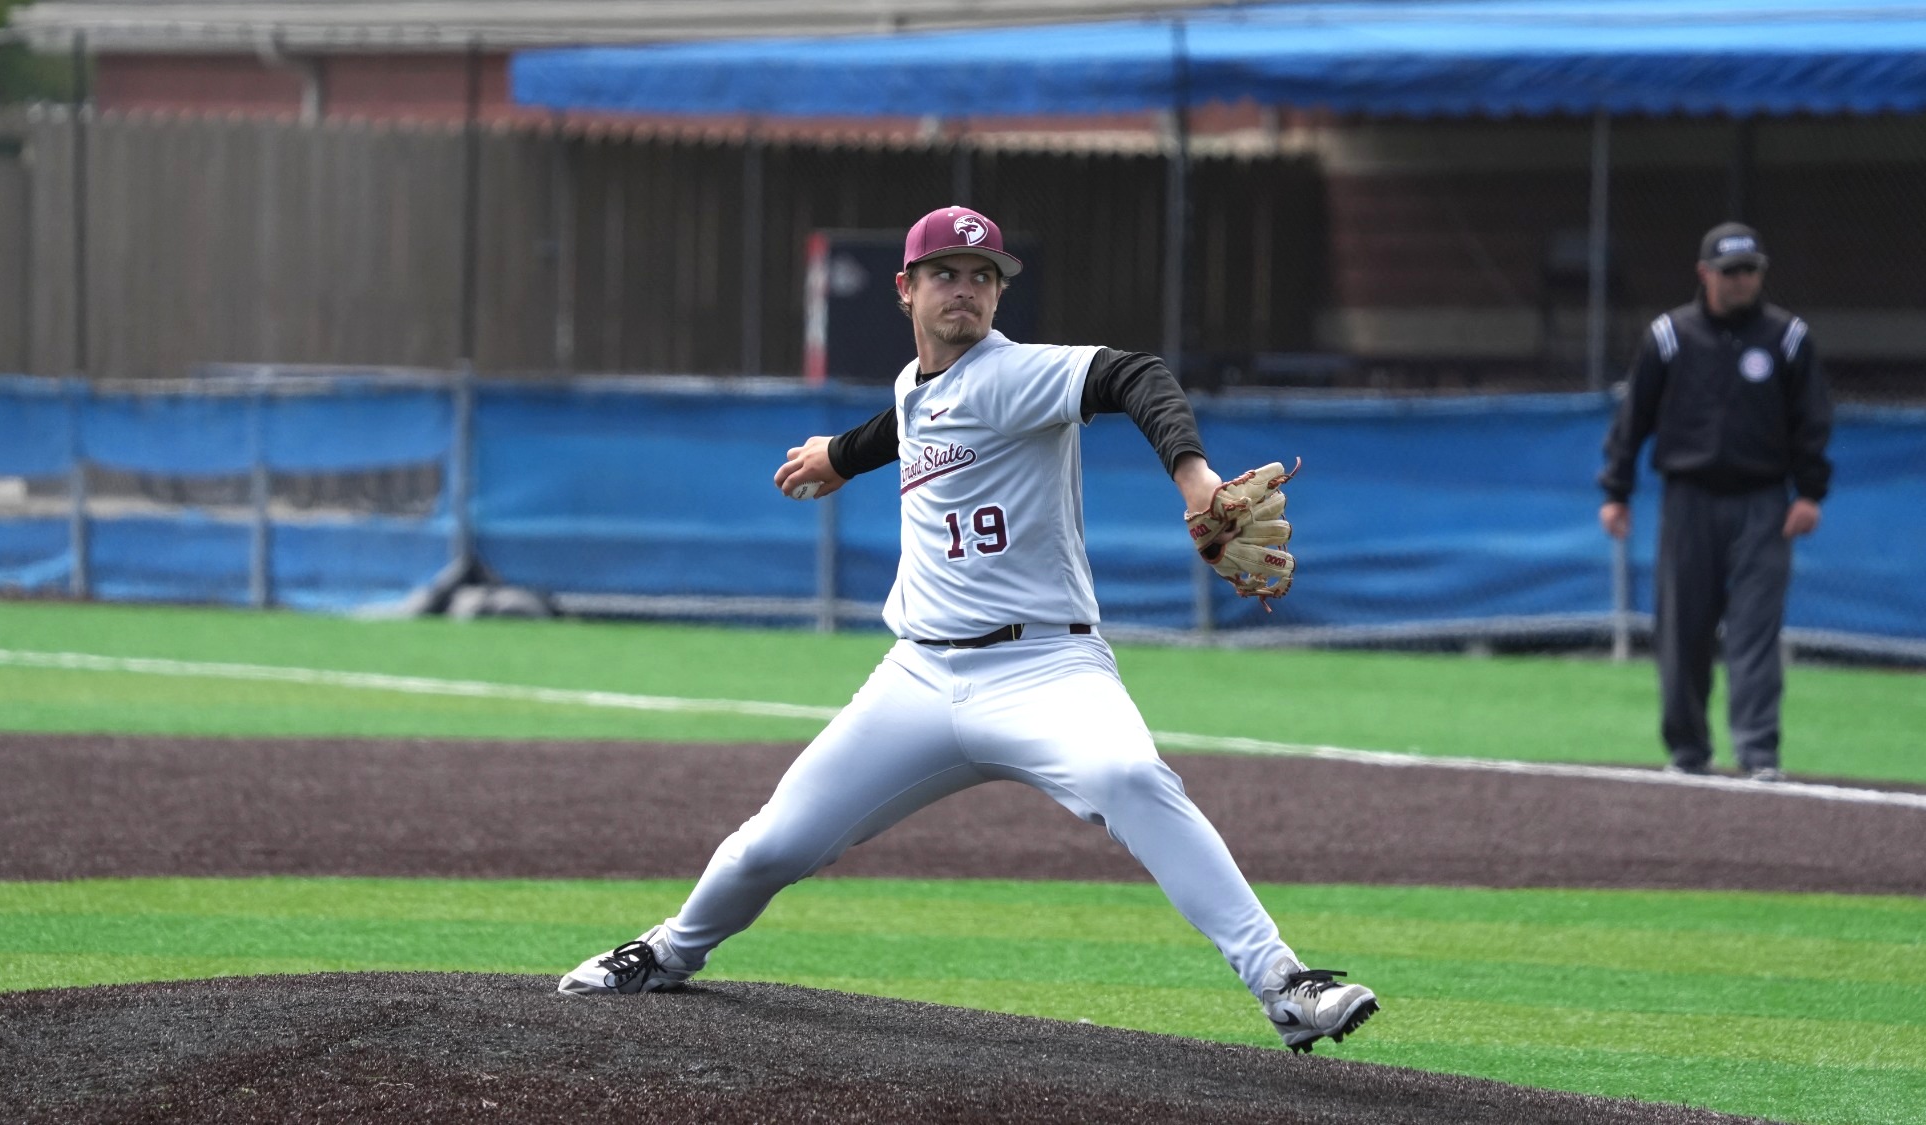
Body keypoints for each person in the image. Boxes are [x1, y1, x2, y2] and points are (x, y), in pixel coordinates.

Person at [558, 205, 1379, 1053]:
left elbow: (1134, 375)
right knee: (773, 843)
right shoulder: (916, 384)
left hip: (1046, 670)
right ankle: (664, 952)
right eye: (947, 273)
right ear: (905, 290)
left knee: (1132, 775)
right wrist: (839, 455)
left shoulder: (1015, 374)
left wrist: (1195, 477)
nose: (967, 289)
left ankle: (1283, 982)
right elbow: (914, 420)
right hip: (917, 681)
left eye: (984, 276)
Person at [1598, 221, 1833, 782]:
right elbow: (1635, 419)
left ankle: (1757, 753)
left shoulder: (1788, 338)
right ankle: (1687, 750)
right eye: (1730, 272)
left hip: (1763, 502)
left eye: (1750, 271)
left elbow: (1812, 422)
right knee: (1683, 628)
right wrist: (1616, 490)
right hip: (1689, 500)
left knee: (1755, 630)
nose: (1741, 281)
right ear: (1705, 275)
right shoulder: (1669, 336)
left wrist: (1810, 493)